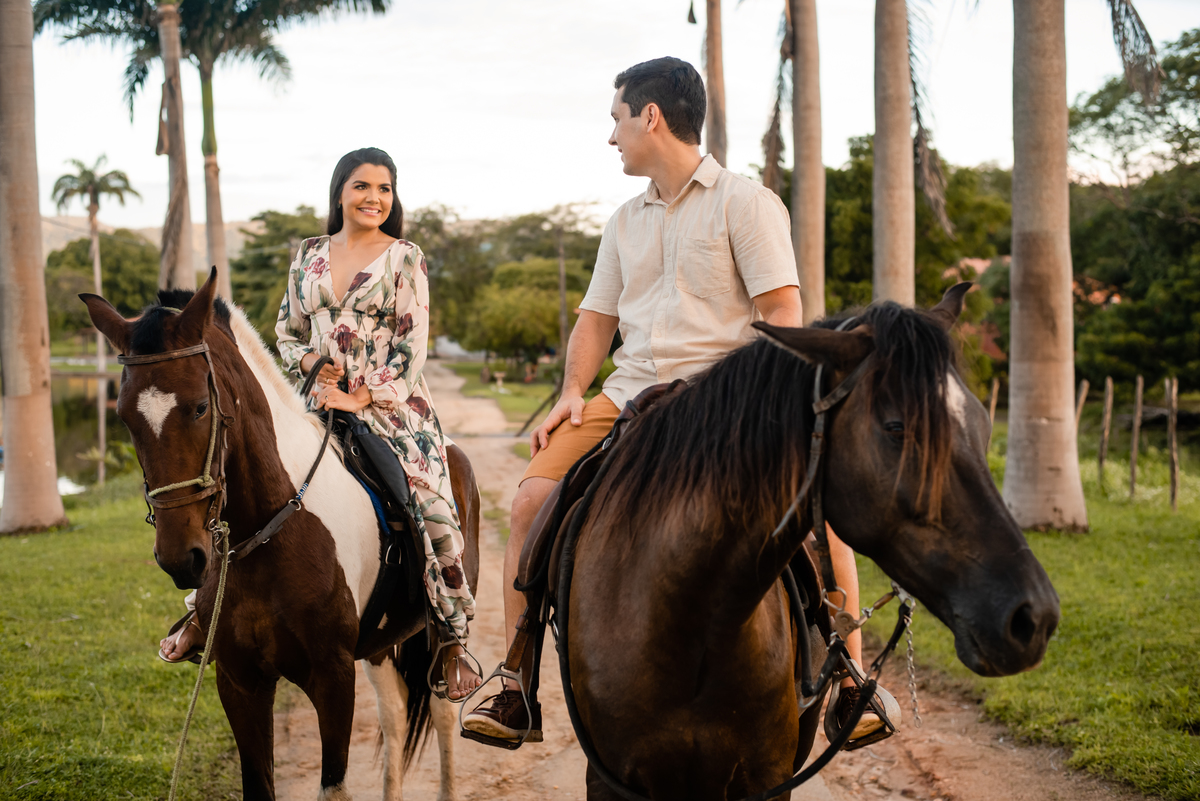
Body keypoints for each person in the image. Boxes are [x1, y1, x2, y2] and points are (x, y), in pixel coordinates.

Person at [464, 57, 890, 745]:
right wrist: (573, 391)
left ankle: (848, 678)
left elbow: (782, 310)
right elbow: (597, 321)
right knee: (529, 503)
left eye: (617, 120)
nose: (613, 138)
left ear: (651, 117)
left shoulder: (746, 203)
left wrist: (760, 408)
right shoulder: (622, 222)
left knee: (820, 519)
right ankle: (517, 679)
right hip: (629, 394)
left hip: (722, 405)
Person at [159, 147, 482, 701]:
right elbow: (286, 332)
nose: (374, 198)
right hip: (311, 399)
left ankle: (452, 635)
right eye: (362, 187)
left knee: (431, 503)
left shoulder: (405, 257)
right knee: (240, 487)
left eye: (384, 188)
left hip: (390, 404)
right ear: (340, 192)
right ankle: (203, 611)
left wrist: (363, 398)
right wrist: (311, 363)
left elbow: (412, 348)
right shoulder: (308, 254)